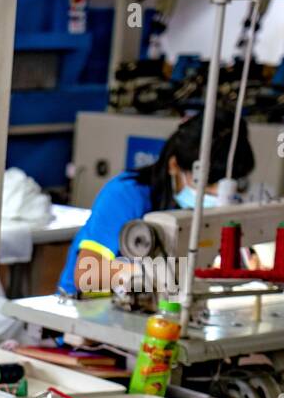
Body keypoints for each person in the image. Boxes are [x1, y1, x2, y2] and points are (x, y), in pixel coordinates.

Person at [60, 110, 256, 297]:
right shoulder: (126, 194)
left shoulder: (219, 204)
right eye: (207, 184)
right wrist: (162, 275)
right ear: (174, 166)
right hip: (90, 313)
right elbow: (88, 275)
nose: (215, 195)